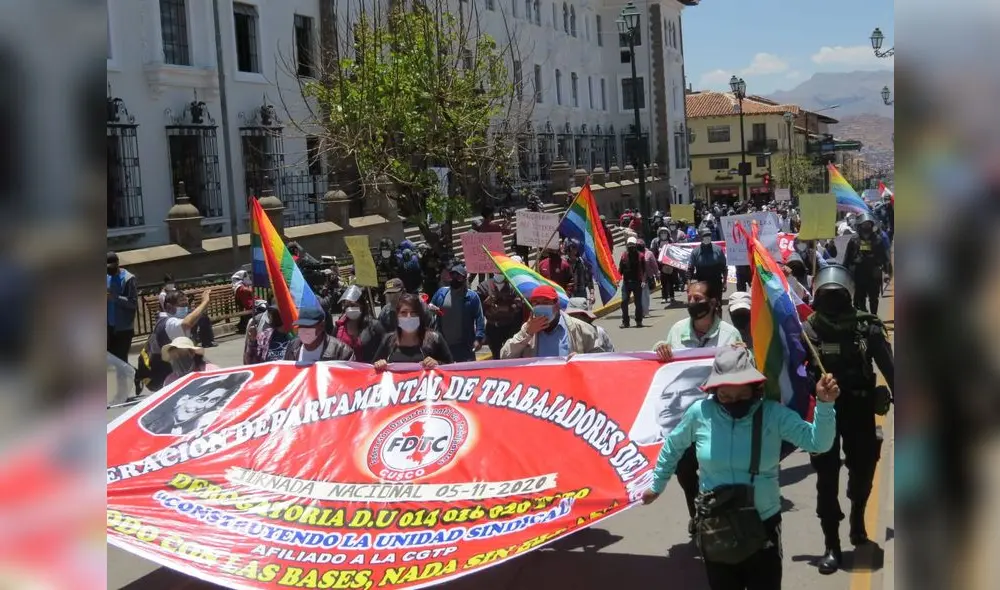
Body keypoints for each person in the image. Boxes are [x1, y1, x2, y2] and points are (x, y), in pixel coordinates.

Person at [642, 345, 839, 590]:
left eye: (741, 395)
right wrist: (656, 485)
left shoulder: (773, 414)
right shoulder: (699, 413)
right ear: (714, 390)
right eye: (725, 396)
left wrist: (825, 405)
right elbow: (673, 447)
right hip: (716, 526)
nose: (733, 402)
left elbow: (819, 442)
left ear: (755, 389)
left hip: (762, 525)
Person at [803, 264, 894, 574]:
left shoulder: (866, 327)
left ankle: (858, 516)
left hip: (859, 408)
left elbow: (891, 369)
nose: (831, 300)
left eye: (837, 295)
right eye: (826, 295)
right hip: (825, 413)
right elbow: (791, 371)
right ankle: (832, 544)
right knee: (826, 478)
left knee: (863, 470)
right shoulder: (808, 329)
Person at [653, 280, 744, 536]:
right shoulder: (677, 330)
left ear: (714, 302)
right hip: (684, 422)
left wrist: (741, 356)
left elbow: (744, 371)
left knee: (716, 471)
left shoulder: (729, 335)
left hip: (718, 418)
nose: (692, 303)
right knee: (685, 471)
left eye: (698, 298)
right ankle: (696, 513)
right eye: (689, 298)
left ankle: (720, 516)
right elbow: (661, 369)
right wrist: (660, 350)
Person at [499, 286, 602, 358]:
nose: (541, 306)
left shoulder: (579, 328)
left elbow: (600, 359)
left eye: (546, 302)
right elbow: (505, 356)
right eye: (536, 303)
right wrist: (527, 333)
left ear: (556, 305)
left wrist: (581, 360)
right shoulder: (528, 329)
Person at [140, 372, 252, 437]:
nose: (202, 407)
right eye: (201, 400)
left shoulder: (200, 426)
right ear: (182, 399)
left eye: (213, 401)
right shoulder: (150, 422)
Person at [373, 293, 454, 370]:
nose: (409, 317)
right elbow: (372, 369)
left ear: (420, 316)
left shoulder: (435, 339)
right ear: (397, 316)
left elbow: (451, 367)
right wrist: (379, 365)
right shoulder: (388, 340)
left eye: (413, 313)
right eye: (404, 312)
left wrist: (437, 363)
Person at [430, 264, 485, 362]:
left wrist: (478, 339)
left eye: (458, 277)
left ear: (464, 279)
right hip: (443, 344)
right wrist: (430, 308)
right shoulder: (441, 293)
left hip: (464, 345)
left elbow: (479, 318)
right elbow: (430, 307)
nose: (455, 279)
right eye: (453, 276)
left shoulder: (472, 297)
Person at [842, 212, 888, 315]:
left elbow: (884, 257)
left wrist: (887, 271)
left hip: (873, 274)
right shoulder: (854, 240)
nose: (866, 226)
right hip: (859, 274)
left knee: (874, 298)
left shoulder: (877, 239)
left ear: (871, 225)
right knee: (860, 298)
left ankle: (874, 317)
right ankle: (863, 317)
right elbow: (847, 258)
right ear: (860, 225)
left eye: (868, 224)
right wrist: (844, 272)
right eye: (864, 224)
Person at [477, 269, 525, 359]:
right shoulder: (484, 286)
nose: (499, 273)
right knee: (496, 355)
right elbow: (478, 308)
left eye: (501, 272)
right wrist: (486, 303)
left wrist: (506, 308)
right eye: (497, 271)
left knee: (511, 355)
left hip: (510, 326)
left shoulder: (513, 286)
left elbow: (519, 305)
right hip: (492, 327)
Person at [334, 285, 385, 363]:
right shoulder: (339, 326)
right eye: (347, 306)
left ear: (362, 306)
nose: (349, 308)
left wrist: (381, 362)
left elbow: (384, 347)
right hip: (344, 371)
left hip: (367, 371)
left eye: (353, 305)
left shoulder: (374, 326)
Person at [284, 307, 355, 363]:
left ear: (321, 326)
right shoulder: (293, 347)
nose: (303, 330)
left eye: (308, 326)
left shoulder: (341, 351)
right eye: (300, 326)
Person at [107, 251, 138, 363]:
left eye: (111, 267)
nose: (109, 270)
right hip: (109, 328)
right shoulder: (106, 277)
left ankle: (134, 378)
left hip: (123, 328)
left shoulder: (128, 279)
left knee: (121, 361)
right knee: (111, 361)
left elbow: (133, 303)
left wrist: (115, 298)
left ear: (117, 263)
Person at [688, 228, 728, 307]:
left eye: (709, 235)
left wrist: (725, 282)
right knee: (704, 305)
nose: (707, 237)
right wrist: (689, 284)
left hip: (716, 282)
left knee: (718, 305)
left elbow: (724, 267)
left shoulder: (718, 250)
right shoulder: (695, 252)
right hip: (702, 283)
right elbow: (690, 269)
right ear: (700, 237)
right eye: (705, 236)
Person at [617, 237, 646, 328]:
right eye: (629, 245)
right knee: (624, 302)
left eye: (632, 245)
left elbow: (645, 270)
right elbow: (620, 269)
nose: (631, 247)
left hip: (637, 282)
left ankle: (639, 320)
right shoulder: (624, 256)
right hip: (626, 283)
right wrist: (617, 279)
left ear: (635, 246)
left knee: (638, 303)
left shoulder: (640, 256)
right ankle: (625, 322)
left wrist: (644, 281)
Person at [650, 226, 677, 306]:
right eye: (662, 233)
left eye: (665, 233)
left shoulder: (671, 241)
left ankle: (672, 297)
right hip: (660, 265)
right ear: (659, 234)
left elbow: (675, 252)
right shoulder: (656, 242)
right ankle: (664, 297)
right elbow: (653, 253)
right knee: (663, 282)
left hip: (670, 264)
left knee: (671, 282)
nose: (663, 234)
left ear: (668, 234)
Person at [565, 239, 595, 304]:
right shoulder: (563, 263)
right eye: (573, 247)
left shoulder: (582, 262)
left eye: (576, 247)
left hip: (581, 294)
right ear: (568, 249)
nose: (575, 250)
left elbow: (589, 280)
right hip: (568, 295)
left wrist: (592, 294)